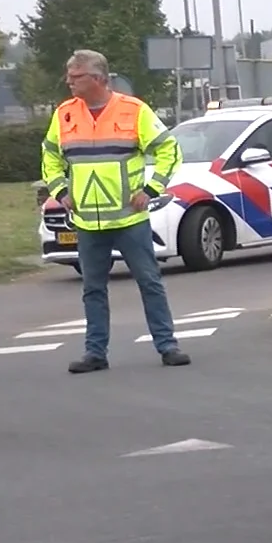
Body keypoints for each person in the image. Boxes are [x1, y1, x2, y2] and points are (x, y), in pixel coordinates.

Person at [42, 50, 192, 374]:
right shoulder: (65, 114)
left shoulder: (133, 110)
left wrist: (152, 190)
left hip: (129, 219)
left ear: (97, 78)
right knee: (92, 289)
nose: (69, 80)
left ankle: (167, 346)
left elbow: (168, 149)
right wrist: (60, 191)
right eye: (69, 74)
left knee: (149, 282)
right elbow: (49, 156)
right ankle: (95, 353)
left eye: (76, 75)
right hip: (87, 222)